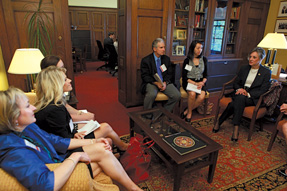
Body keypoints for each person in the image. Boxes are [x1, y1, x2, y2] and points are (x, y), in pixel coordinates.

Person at [0, 87, 143, 191]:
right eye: (27, 106)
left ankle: (131, 188)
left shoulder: (27, 127)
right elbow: (46, 185)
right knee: (105, 157)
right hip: (56, 170)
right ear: (13, 117)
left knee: (103, 149)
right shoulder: (11, 150)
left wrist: (93, 141)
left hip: (58, 159)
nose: (33, 107)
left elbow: (54, 141)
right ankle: (133, 188)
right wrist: (75, 157)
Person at [34, 66, 129, 152]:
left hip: (68, 139)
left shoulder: (51, 103)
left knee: (107, 137)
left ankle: (119, 151)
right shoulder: (54, 110)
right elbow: (64, 142)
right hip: (64, 150)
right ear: (56, 85)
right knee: (106, 130)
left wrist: (75, 133)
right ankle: (123, 147)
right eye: (65, 79)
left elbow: (61, 133)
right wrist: (77, 136)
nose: (70, 80)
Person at [212, 47, 271, 142]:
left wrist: (247, 93)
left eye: (254, 57)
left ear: (260, 59)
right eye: (250, 56)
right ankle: (236, 129)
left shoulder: (266, 72)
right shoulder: (244, 68)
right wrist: (239, 89)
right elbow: (236, 83)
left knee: (234, 103)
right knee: (240, 98)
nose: (251, 59)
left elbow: (263, 90)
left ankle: (220, 122)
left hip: (252, 97)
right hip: (239, 93)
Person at [140, 38, 181, 112]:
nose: (164, 49)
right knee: (151, 94)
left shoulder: (166, 59)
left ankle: (163, 112)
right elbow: (145, 76)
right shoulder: (146, 60)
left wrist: (165, 82)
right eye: (161, 47)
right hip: (152, 82)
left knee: (177, 95)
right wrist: (156, 83)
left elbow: (169, 73)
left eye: (164, 47)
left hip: (164, 82)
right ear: (154, 49)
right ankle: (146, 114)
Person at [181, 40, 207, 122]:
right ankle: (189, 113)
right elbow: (184, 76)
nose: (200, 50)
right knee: (192, 94)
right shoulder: (187, 60)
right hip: (189, 82)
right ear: (193, 49)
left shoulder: (204, 60)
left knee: (202, 96)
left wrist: (202, 83)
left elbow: (206, 75)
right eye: (198, 48)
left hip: (200, 83)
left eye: (201, 48)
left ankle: (187, 110)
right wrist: (195, 83)